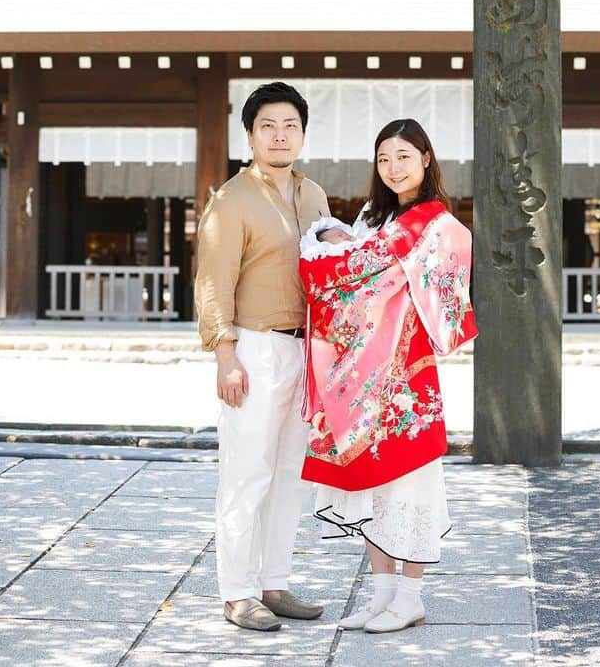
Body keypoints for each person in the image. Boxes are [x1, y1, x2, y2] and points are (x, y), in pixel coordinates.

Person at [298, 118, 478, 633]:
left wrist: (327, 264)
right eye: (384, 159)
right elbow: (358, 268)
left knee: (411, 481)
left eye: (403, 156)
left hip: (405, 373)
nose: (394, 167)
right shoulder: (374, 216)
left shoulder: (434, 221)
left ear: (426, 157)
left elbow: (361, 268)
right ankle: (380, 595)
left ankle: (412, 595)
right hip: (362, 372)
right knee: (373, 484)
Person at [194, 81, 331, 632]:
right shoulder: (231, 200)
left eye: (289, 125)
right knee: (246, 474)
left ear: (302, 133)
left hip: (305, 351)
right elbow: (213, 283)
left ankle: (274, 583)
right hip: (252, 347)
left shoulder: (315, 195)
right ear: (250, 134)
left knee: (289, 475)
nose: (279, 135)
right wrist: (226, 356)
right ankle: (238, 592)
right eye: (267, 126)